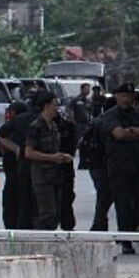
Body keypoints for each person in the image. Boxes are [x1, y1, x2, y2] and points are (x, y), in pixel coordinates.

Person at [101, 84, 139, 254]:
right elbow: (119, 134)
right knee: (123, 206)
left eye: (129, 95)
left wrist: (132, 131)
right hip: (120, 168)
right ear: (117, 97)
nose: (126, 99)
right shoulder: (110, 115)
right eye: (123, 95)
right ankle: (126, 242)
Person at [24, 91, 72, 230]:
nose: (57, 108)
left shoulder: (53, 126)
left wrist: (62, 156)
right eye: (54, 105)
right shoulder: (36, 126)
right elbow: (29, 152)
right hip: (42, 176)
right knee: (46, 214)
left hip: (55, 175)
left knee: (55, 213)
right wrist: (52, 158)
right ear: (46, 106)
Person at [0, 100, 39, 229]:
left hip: (21, 170)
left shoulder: (21, 126)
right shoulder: (12, 128)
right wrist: (14, 148)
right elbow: (0, 141)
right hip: (14, 169)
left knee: (21, 202)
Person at [78, 98, 114, 231]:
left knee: (104, 196)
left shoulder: (97, 121)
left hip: (95, 165)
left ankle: (100, 224)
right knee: (105, 196)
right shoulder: (107, 123)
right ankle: (98, 225)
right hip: (102, 165)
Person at [55, 99, 83, 231]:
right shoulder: (41, 125)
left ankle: (67, 224)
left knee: (67, 195)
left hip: (65, 165)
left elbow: (72, 146)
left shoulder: (69, 127)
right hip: (48, 168)